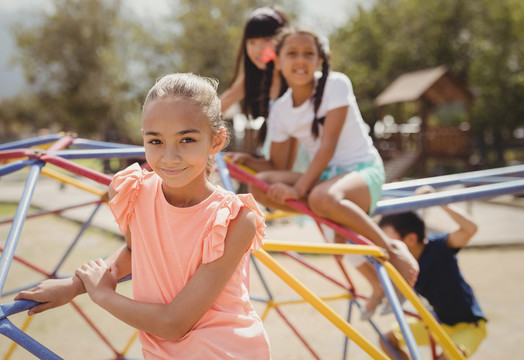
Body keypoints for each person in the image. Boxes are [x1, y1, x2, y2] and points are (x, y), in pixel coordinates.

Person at [16, 73, 271, 359]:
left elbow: (174, 324)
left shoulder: (235, 219)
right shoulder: (135, 191)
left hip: (223, 351)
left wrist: (104, 296)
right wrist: (74, 285)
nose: (170, 157)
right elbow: (132, 250)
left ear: (216, 141)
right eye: (156, 141)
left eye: (187, 139)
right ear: (143, 139)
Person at [228, 26, 419, 314]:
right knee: (260, 185)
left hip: (361, 171)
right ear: (278, 61)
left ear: (320, 60)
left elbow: (328, 145)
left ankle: (393, 252)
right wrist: (246, 161)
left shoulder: (335, 85)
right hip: (327, 180)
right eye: (291, 54)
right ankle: (341, 227)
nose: (300, 60)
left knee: (321, 199)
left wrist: (298, 189)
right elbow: (278, 167)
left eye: (308, 54)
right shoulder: (280, 109)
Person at [378, 185, 487, 360]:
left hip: (468, 326)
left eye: (389, 241)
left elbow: (470, 229)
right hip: (437, 323)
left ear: (411, 239)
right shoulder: (400, 263)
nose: (385, 247)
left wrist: (440, 201)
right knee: (386, 340)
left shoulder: (439, 246)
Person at [220, 6, 293, 158]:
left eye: (267, 40)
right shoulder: (252, 77)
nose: (258, 49)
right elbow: (220, 105)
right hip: (273, 159)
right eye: (251, 42)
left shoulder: (296, 76)